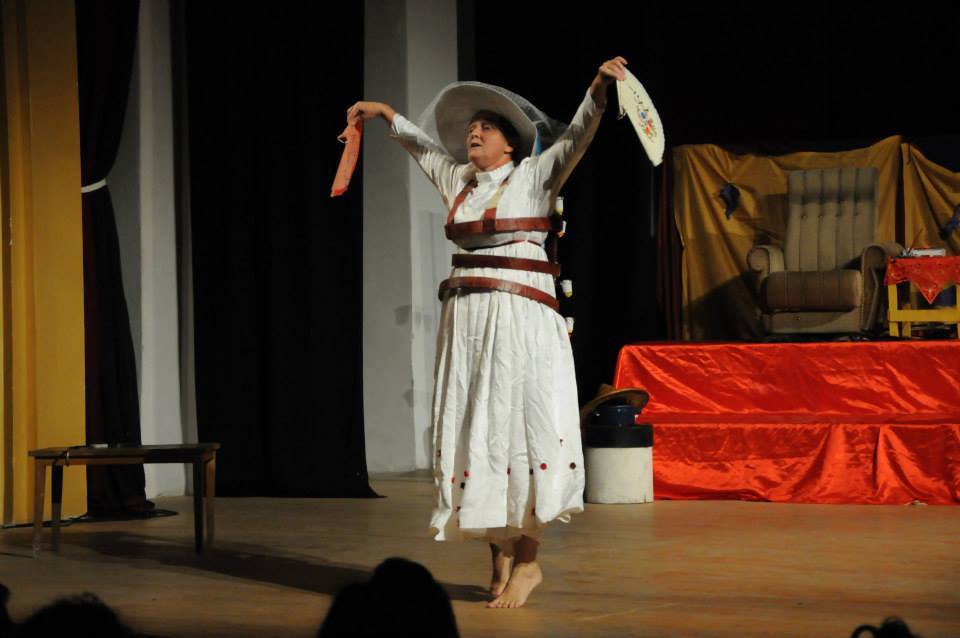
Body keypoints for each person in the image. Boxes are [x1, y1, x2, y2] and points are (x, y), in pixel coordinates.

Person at [347, 56, 629, 608]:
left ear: (511, 145)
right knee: (478, 426)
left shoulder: (535, 175)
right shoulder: (460, 182)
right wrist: (386, 114)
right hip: (470, 324)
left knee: (524, 427)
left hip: (521, 321)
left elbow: (579, 135)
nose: (474, 134)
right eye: (472, 128)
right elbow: (423, 150)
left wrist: (597, 88)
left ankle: (529, 561)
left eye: (486, 128)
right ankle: (498, 550)